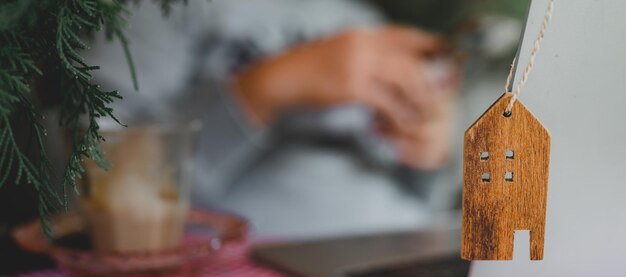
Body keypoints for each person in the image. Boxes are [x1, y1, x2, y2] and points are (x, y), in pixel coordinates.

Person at [86, 0, 459, 236]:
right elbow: (97, 183)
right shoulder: (151, 10)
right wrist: (265, 87)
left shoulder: (361, 18)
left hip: (407, 250)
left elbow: (424, 197)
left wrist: (425, 159)